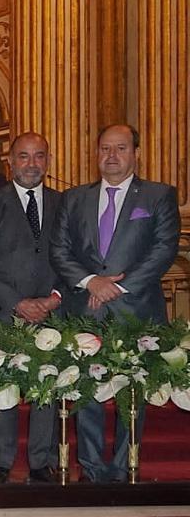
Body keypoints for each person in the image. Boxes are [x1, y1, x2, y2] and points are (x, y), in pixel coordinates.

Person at [50, 124, 180, 483]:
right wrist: (92, 281)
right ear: (96, 154)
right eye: (105, 149)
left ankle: (125, 467)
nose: (111, 156)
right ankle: (91, 468)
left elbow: (163, 250)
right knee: (86, 390)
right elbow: (59, 251)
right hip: (86, 307)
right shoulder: (74, 198)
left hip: (136, 308)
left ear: (135, 153)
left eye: (120, 148)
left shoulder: (157, 196)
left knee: (133, 392)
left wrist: (117, 288)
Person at [0, 132, 63, 483]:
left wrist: (54, 298)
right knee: (4, 385)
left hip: (51, 310)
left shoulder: (63, 203)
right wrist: (17, 303)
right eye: (23, 156)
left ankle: (42, 460)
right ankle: (4, 458)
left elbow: (71, 258)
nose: (31, 164)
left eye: (38, 156)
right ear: (10, 160)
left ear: (48, 160)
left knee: (47, 386)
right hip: (2, 310)